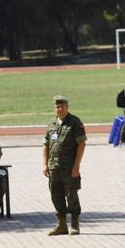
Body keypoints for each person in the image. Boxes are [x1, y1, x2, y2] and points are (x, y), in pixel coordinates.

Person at [42, 95, 86, 236]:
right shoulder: (51, 124)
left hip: (69, 168)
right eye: (57, 106)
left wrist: (77, 165)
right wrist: (44, 164)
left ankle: (74, 224)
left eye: (62, 106)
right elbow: (46, 145)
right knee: (56, 196)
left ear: (67, 106)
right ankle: (61, 225)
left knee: (71, 194)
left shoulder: (74, 122)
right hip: (54, 168)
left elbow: (81, 144)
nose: (59, 108)